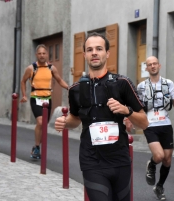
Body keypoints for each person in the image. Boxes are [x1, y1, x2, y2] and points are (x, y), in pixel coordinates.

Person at [55, 32, 148, 201]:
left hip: (119, 160)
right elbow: (75, 119)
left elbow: (144, 123)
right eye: (89, 50)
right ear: (84, 55)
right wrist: (64, 122)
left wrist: (126, 111)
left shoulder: (122, 83)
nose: (94, 53)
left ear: (107, 53)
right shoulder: (76, 89)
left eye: (99, 49)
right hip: (91, 161)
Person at [137, 56, 174, 200]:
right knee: (159, 156)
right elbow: (138, 107)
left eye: (154, 64)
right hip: (150, 125)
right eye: (149, 64)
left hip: (165, 124)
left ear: (159, 65)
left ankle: (159, 186)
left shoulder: (168, 83)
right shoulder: (141, 86)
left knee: (167, 160)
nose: (152, 66)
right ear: (146, 68)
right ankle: (151, 164)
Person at [20, 44, 68, 159]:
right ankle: (37, 147)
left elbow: (59, 80)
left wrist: (69, 88)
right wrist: (24, 95)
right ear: (36, 55)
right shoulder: (31, 68)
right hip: (35, 98)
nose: (42, 55)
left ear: (47, 55)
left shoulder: (51, 68)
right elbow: (23, 81)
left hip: (47, 99)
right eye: (39, 53)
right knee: (40, 123)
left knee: (44, 126)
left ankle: (36, 146)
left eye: (44, 53)